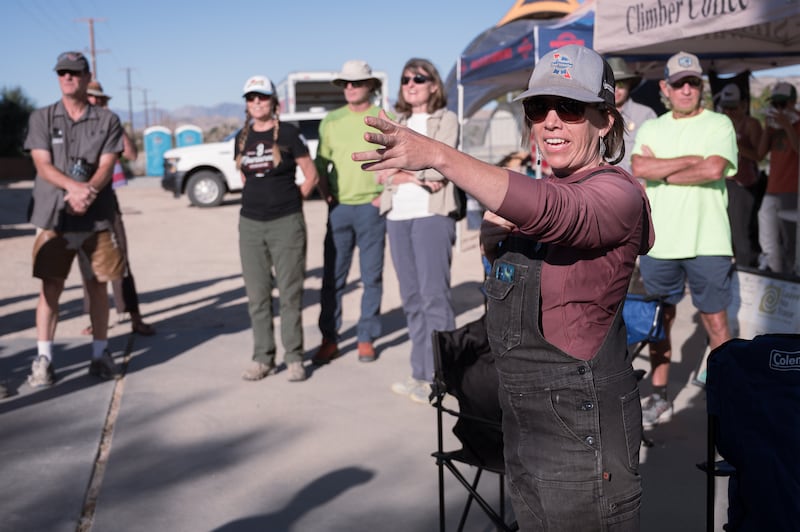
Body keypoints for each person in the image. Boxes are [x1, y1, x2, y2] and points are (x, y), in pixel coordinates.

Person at [354, 44, 653, 531]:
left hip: (583, 432)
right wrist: (498, 246)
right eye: (540, 108)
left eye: (571, 108)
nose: (552, 121)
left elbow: (559, 213)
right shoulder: (536, 194)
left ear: (605, 121)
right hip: (524, 422)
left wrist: (437, 156)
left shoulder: (617, 192)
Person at [631, 51, 738, 426]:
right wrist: (689, 161)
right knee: (659, 323)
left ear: (701, 86)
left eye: (693, 82)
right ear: (665, 87)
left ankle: (727, 396)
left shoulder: (720, 123)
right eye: (679, 83)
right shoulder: (651, 128)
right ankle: (660, 396)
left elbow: (714, 167)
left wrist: (664, 170)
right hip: (660, 241)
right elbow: (639, 167)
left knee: (716, 323)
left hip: (709, 240)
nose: (687, 89)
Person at [24, 51, 126, 387]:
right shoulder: (42, 117)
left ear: (86, 76)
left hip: (95, 217)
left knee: (97, 284)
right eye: (62, 73)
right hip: (53, 216)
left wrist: (87, 193)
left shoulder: (107, 120)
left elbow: (107, 166)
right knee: (50, 286)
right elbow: (42, 164)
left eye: (74, 72)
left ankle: (100, 354)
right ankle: (44, 359)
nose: (68, 77)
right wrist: (74, 189)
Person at [376, 58, 459, 404]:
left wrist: (404, 172)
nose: (410, 83)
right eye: (406, 78)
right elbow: (381, 172)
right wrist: (411, 175)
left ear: (434, 85)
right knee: (411, 299)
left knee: (434, 297)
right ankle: (420, 374)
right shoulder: (399, 125)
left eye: (419, 78)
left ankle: (446, 376)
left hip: (431, 216)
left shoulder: (446, 120)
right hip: (397, 215)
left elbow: (440, 172)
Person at [235, 75, 319, 383]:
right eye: (251, 98)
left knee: (289, 293)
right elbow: (245, 179)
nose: (256, 102)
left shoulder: (289, 134)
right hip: (251, 225)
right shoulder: (241, 138)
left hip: (286, 224)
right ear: (246, 104)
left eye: (262, 97)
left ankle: (294, 357)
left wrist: (290, 202)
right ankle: (263, 358)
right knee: (257, 295)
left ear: (274, 102)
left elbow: (310, 175)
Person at [312, 60, 386, 364]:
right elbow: (320, 163)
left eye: (356, 83)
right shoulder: (331, 121)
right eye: (346, 83)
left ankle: (366, 338)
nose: (350, 88)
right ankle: (330, 337)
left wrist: (386, 193)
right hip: (339, 209)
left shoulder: (384, 117)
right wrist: (325, 193)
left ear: (370, 85)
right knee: (332, 278)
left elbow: (398, 157)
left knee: (372, 277)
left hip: (372, 208)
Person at [80, 80, 156, 337]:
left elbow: (132, 154)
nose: (96, 103)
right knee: (88, 263)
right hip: (82, 202)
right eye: (91, 98)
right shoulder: (76, 126)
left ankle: (134, 317)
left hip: (107, 202)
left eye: (100, 99)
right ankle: (95, 320)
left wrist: (114, 122)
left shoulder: (111, 125)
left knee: (121, 259)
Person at [716, 83, 764, 268]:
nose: (729, 111)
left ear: (744, 105)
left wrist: (734, 144)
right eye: (726, 107)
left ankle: (747, 272)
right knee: (723, 232)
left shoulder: (751, 124)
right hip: (722, 181)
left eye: (733, 107)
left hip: (743, 184)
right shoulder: (720, 122)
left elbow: (759, 155)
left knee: (741, 233)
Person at [756, 81, 799, 275]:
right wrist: (767, 128)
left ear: (793, 102)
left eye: (782, 104)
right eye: (775, 105)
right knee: (768, 239)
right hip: (772, 188)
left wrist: (788, 125)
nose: (778, 109)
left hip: (792, 189)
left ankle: (792, 280)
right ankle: (774, 277)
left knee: (792, 241)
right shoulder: (775, 126)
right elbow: (760, 154)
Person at [606, 57, 657, 175]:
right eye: (612, 85)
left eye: (621, 84)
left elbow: (655, 155)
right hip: (602, 185)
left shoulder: (645, 114)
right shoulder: (594, 114)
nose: (616, 90)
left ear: (629, 85)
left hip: (636, 185)